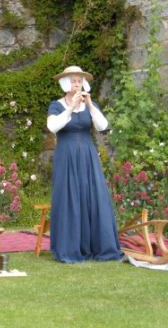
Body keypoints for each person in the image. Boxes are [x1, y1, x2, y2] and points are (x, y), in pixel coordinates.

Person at [47, 65, 123, 263]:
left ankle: (98, 246)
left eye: (79, 81)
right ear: (65, 84)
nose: (77, 84)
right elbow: (53, 126)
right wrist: (71, 108)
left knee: (94, 195)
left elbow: (103, 126)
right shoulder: (56, 105)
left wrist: (89, 105)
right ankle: (70, 247)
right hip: (67, 155)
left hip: (88, 156)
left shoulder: (90, 104)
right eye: (73, 81)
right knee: (69, 197)